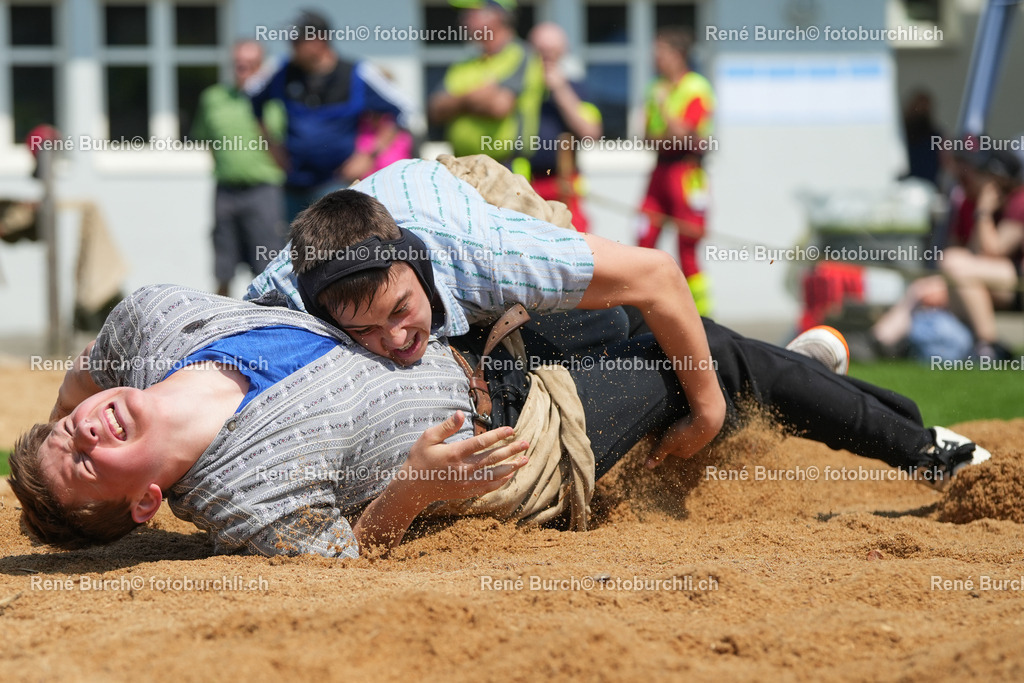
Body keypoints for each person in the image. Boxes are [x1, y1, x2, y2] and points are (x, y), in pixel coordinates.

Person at [9, 284, 990, 558]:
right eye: (83, 458)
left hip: (476, 335)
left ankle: (814, 385)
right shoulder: (239, 497)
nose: (83, 426)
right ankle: (939, 455)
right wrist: (416, 489)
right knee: (707, 361)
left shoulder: (151, 325)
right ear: (144, 500)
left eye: (68, 428)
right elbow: (348, 551)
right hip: (517, 430)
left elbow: (85, 368)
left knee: (685, 323)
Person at [248, 155, 728, 460]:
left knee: (614, 318)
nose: (394, 338)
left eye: (399, 311)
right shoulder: (280, 298)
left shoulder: (489, 257)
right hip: (373, 211)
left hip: (474, 194)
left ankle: (731, 376)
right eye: (364, 329)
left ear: (420, 272)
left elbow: (659, 274)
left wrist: (707, 415)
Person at [248, 10, 413, 221]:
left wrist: (368, 155)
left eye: (297, 40)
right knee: (296, 251)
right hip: (293, 185)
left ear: (320, 41)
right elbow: (252, 98)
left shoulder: (358, 72)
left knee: (336, 251)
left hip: (338, 186)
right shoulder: (282, 71)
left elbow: (403, 109)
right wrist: (270, 145)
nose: (291, 45)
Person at [191, 39, 286, 296]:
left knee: (268, 266)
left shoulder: (277, 101)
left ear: (261, 66)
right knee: (223, 265)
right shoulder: (213, 99)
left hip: (264, 191)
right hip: (225, 191)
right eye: (238, 65)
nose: (243, 71)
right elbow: (206, 138)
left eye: (250, 65)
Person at [636, 27, 715, 316]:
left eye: (661, 52)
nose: (655, 58)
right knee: (644, 240)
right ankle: (643, 311)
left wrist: (666, 113)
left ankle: (702, 316)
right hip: (660, 170)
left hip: (687, 173)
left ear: (678, 55)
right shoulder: (654, 88)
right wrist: (669, 130)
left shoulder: (696, 87)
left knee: (688, 247)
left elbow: (685, 134)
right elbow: (647, 137)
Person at [427, 0, 545, 165]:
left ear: (497, 15)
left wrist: (457, 102)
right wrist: (473, 98)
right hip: (463, 167)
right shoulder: (464, 63)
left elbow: (499, 106)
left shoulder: (522, 55)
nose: (463, 19)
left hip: (507, 167)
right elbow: (435, 110)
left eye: (471, 12)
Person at [939, 150, 1024, 360]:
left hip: (1018, 282)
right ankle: (985, 347)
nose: (972, 176)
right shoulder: (977, 204)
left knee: (953, 263)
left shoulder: (1019, 201)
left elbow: (993, 251)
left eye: (980, 173)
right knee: (953, 270)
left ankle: (988, 344)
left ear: (997, 180)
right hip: (1004, 279)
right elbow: (975, 254)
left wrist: (983, 211)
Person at [524, 22, 602, 232]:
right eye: (541, 52)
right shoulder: (520, 89)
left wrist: (560, 90)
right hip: (524, 182)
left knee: (577, 241)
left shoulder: (576, 88)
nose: (546, 58)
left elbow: (591, 132)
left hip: (565, 181)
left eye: (552, 52)